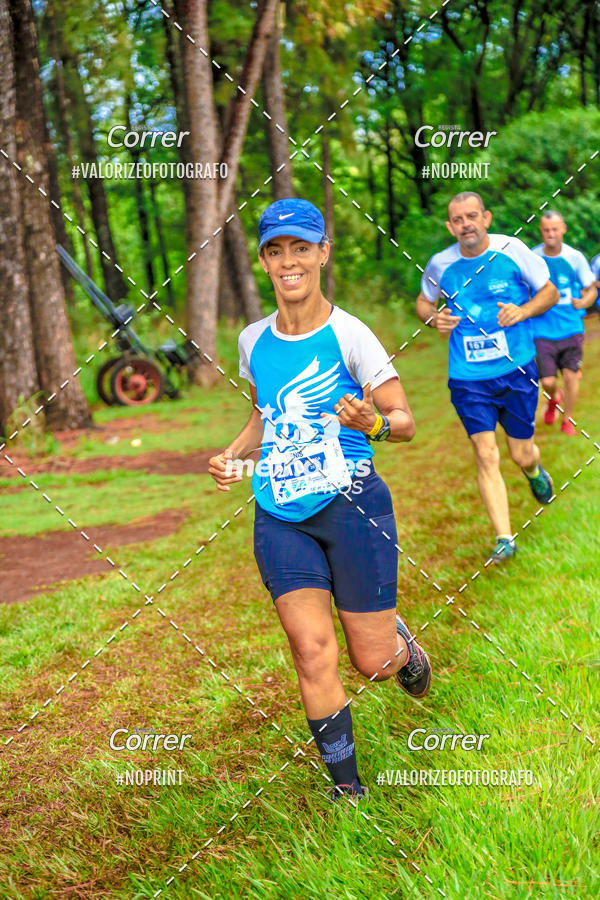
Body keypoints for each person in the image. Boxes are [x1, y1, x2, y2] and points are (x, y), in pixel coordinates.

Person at [209, 197, 431, 803]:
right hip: (280, 510)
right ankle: (348, 786)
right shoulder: (252, 340)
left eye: (301, 248)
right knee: (311, 652)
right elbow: (266, 416)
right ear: (263, 261)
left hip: (353, 504)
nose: (289, 261)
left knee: (374, 664)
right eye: (276, 250)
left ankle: (397, 644)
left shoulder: (350, 333)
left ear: (322, 254)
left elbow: (405, 421)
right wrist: (233, 453)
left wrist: (372, 424)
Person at [415, 191, 559, 564]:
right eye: (458, 219)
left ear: (486, 219)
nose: (466, 224)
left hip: (517, 368)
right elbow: (423, 301)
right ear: (450, 226)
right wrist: (434, 319)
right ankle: (504, 538)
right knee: (485, 451)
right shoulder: (440, 264)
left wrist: (523, 311)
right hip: (467, 377)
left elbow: (550, 292)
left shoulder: (512, 250)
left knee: (519, 452)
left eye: (472, 216)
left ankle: (533, 470)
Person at [531, 212, 597, 435]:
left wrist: (584, 302)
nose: (550, 234)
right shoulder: (533, 258)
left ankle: (567, 419)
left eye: (554, 229)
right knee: (548, 381)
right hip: (541, 329)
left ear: (563, 229)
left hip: (571, 328)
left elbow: (590, 289)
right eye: (546, 230)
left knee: (570, 375)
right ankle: (553, 399)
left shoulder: (575, 257)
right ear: (541, 231)